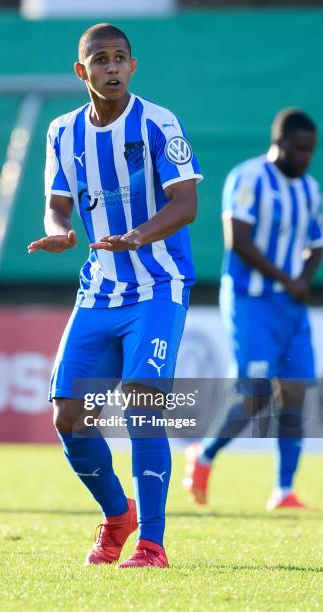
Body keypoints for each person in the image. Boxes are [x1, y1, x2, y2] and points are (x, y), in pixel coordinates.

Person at [28, 23, 202, 567]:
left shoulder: (158, 122)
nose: (111, 67)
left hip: (158, 285)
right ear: (82, 72)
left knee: (144, 406)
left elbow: (186, 202)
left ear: (132, 66)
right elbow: (58, 200)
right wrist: (59, 230)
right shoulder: (62, 131)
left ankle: (152, 542)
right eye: (99, 59)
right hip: (99, 290)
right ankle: (116, 515)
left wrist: (137, 236)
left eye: (119, 57)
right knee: (68, 417)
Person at [184, 109, 322, 511]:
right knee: (257, 390)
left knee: (295, 391)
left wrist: (303, 280)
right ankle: (205, 454)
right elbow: (238, 240)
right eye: (298, 149)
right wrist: (288, 278)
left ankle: (283, 491)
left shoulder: (310, 190)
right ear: (279, 143)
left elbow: (317, 242)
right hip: (251, 299)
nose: (305, 158)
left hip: (290, 304)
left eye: (311, 151)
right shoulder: (247, 178)